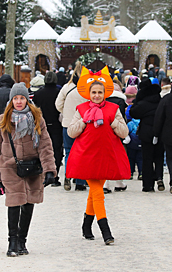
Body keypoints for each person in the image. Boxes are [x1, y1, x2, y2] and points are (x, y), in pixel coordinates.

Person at [0, 82, 57, 257]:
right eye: (15, 98)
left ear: (27, 100)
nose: (19, 101)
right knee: (14, 203)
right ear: (11, 100)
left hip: (32, 167)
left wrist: (49, 169)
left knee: (28, 203)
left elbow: (45, 146)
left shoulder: (37, 119)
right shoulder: (3, 120)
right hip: (10, 167)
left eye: (22, 98)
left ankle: (22, 240)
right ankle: (12, 241)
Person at [66, 66, 130, 245]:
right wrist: (84, 121)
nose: (96, 95)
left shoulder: (113, 108)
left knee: (94, 194)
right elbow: (71, 132)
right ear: (89, 93)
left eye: (99, 92)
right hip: (87, 156)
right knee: (98, 192)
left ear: (105, 93)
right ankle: (105, 230)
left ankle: (86, 225)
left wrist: (114, 124)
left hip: (105, 156)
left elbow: (123, 132)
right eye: (93, 92)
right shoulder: (81, 108)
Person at [55, 61, 88, 191]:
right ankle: (80, 181)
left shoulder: (66, 87)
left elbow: (58, 104)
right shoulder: (87, 89)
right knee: (82, 153)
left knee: (69, 152)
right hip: (83, 125)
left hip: (67, 124)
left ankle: (68, 175)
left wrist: (66, 112)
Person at [129, 78, 165, 192]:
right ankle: (159, 177)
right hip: (161, 132)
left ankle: (148, 184)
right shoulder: (160, 101)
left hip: (146, 132)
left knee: (147, 158)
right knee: (159, 157)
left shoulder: (143, 103)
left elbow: (133, 113)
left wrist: (137, 100)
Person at [32, 72, 64, 187]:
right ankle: (54, 175)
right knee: (56, 149)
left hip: (42, 124)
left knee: (42, 148)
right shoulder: (58, 93)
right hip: (56, 124)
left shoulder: (38, 93)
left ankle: (43, 173)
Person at [104, 81, 128, 193]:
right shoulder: (121, 101)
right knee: (118, 157)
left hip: (104, 130)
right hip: (117, 130)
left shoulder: (103, 100)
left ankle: (105, 183)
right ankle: (119, 182)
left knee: (105, 157)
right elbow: (122, 118)